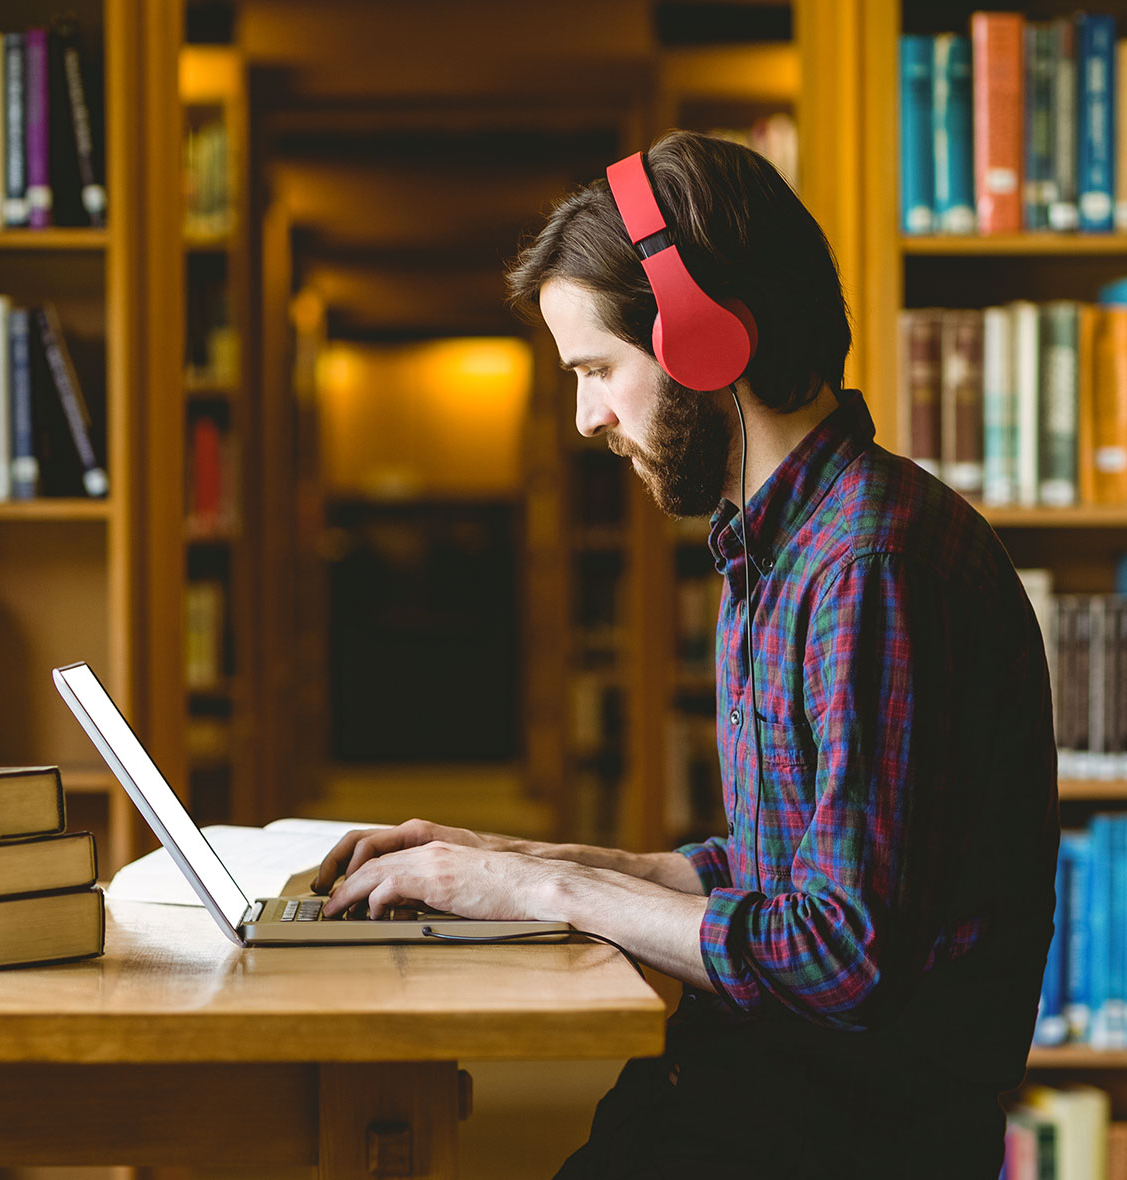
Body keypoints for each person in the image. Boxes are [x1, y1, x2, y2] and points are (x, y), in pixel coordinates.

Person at [313, 130, 1059, 1179]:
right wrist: (502, 862)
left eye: (600, 369)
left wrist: (543, 895)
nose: (586, 418)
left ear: (706, 341)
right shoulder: (781, 545)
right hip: (754, 1092)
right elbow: (768, 875)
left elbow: (842, 957)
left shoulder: (870, 564)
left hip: (839, 1138)